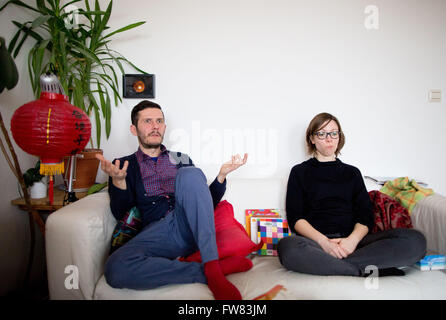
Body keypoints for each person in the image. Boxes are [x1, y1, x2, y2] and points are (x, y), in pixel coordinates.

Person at [96, 100, 251, 300]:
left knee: (190, 174)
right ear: (134, 129)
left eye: (159, 121)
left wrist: (220, 177)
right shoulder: (125, 164)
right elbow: (122, 214)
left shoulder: (181, 159)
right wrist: (118, 181)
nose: (155, 126)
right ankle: (206, 271)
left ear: (165, 127)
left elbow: (202, 204)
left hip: (189, 224)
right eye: (148, 121)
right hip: (157, 233)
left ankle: (212, 266)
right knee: (115, 268)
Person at [278, 112, 426, 277]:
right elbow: (296, 219)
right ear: (312, 138)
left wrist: (351, 242)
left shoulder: (352, 173)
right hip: (316, 244)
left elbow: (365, 217)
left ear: (339, 137)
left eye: (334, 133)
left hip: (354, 244)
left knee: (416, 240)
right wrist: (325, 243)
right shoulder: (299, 172)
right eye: (322, 133)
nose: (329, 139)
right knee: (287, 247)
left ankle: (336, 266)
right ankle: (360, 269)